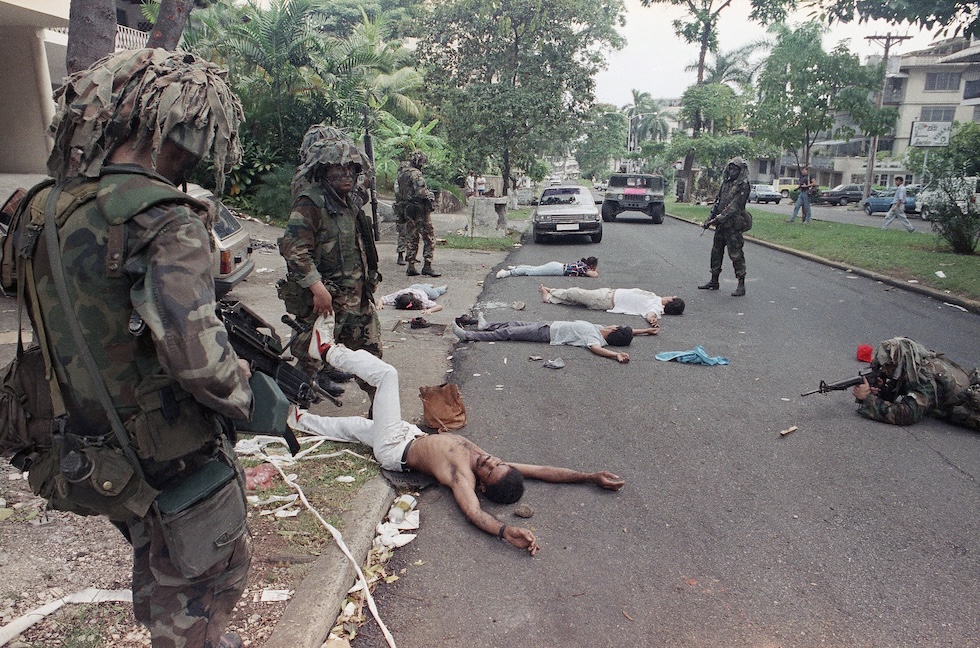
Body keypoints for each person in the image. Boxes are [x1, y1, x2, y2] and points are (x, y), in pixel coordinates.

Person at [18, 49, 252, 648]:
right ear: (179, 129)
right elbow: (200, 363)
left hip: (95, 451)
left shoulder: (44, 210)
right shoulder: (167, 220)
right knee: (200, 593)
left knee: (157, 565)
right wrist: (247, 388)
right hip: (170, 451)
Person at [288, 317, 625, 555]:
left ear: (481, 484)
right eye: (498, 462)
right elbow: (542, 471)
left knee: (387, 376)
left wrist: (507, 531)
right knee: (351, 428)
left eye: (491, 469)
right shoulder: (492, 465)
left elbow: (474, 514)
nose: (491, 460)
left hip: (395, 448)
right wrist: (588, 477)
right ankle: (302, 420)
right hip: (408, 434)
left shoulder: (463, 477)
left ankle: (327, 349)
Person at [278, 125, 382, 401]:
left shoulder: (350, 201)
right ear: (324, 171)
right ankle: (289, 413)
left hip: (356, 298)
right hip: (327, 298)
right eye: (339, 169)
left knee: (371, 358)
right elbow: (294, 248)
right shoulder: (310, 202)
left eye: (351, 169)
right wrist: (317, 288)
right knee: (309, 360)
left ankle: (382, 413)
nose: (347, 174)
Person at [851, 337, 979, 431]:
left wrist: (867, 399)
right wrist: (880, 390)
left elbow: (906, 415)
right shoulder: (912, 365)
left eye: (888, 366)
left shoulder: (924, 378)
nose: (884, 370)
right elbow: (898, 388)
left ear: (901, 362)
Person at [452, 316, 656, 363]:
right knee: (513, 324)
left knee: (508, 334)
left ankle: (469, 335)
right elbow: (628, 332)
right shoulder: (599, 329)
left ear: (613, 332)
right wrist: (645, 331)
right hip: (548, 324)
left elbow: (596, 350)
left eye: (616, 326)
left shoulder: (594, 338)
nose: (613, 324)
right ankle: (484, 326)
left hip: (545, 334)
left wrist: (615, 355)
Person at [699, 157, 752, 297]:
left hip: (734, 225)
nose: (732, 171)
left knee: (736, 254)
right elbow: (718, 202)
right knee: (716, 252)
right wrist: (710, 217)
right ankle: (714, 280)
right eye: (731, 168)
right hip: (721, 225)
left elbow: (736, 205)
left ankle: (741, 284)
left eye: (735, 169)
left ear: (741, 170)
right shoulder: (726, 183)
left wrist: (719, 218)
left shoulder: (743, 185)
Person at [538, 285, 684, 329]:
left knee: (576, 293)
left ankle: (552, 291)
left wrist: (652, 321)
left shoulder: (656, 306)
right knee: (577, 301)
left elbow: (650, 314)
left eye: (672, 297)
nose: (669, 295)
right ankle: (549, 298)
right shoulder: (655, 297)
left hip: (607, 300)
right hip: (608, 294)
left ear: (670, 302)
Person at [394, 150, 441, 277]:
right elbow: (421, 193)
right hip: (419, 210)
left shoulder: (402, 174)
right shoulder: (416, 174)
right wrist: (430, 195)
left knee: (411, 237)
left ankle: (411, 266)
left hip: (407, 209)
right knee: (429, 237)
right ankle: (427, 265)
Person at [496, 256, 599, 279]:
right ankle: (507, 273)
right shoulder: (584, 268)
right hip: (557, 269)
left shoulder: (582, 264)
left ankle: (516, 267)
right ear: (592, 265)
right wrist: (594, 270)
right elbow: (594, 275)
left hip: (557, 266)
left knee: (535, 268)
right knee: (532, 272)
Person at [378, 283, 447, 315]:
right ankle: (427, 285)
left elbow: (439, 306)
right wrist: (379, 304)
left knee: (436, 293)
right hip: (414, 286)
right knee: (424, 286)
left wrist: (430, 310)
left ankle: (443, 287)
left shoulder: (422, 300)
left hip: (426, 291)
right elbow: (382, 299)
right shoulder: (398, 295)